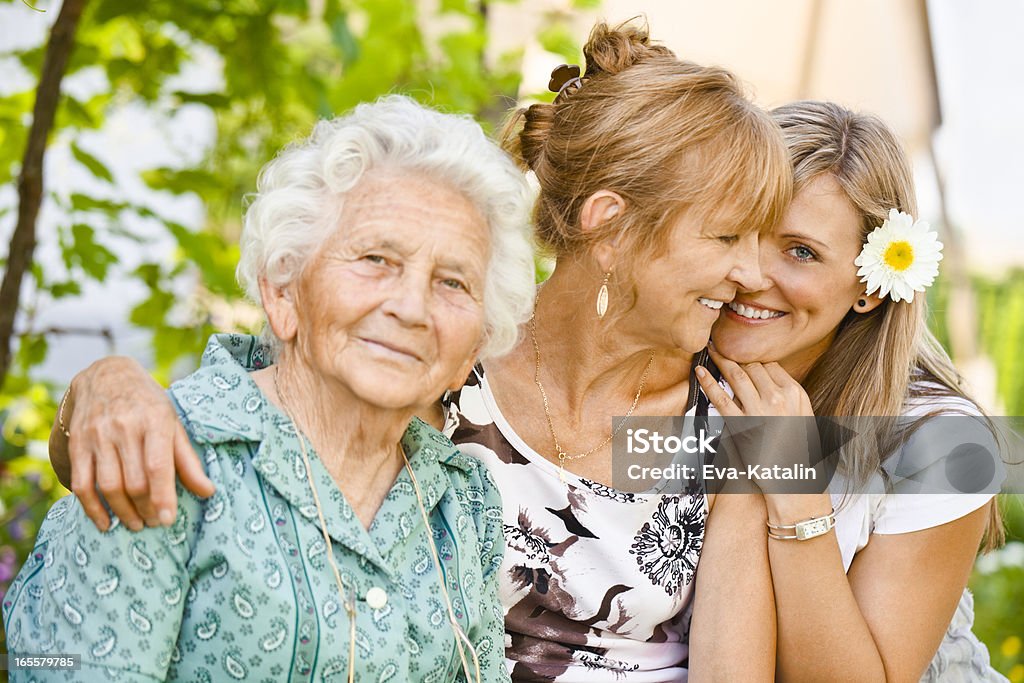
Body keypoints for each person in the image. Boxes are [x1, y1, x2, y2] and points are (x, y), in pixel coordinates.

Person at [39, 22, 793, 681]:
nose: (756, 274)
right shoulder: (446, 378)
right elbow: (248, 415)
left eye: (449, 282)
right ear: (611, 226)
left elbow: (870, 647)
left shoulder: (747, 411)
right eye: (729, 236)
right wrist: (102, 385)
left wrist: (801, 478)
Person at [3, 95, 538, 682]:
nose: (412, 307)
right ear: (283, 292)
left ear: (473, 349)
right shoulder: (165, 453)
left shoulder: (462, 501)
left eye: (452, 282)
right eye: (376, 259)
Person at [695, 100, 1007, 682]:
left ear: (870, 286)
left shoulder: (940, 443)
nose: (751, 273)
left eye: (801, 251)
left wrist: (793, 487)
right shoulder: (663, 375)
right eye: (740, 229)